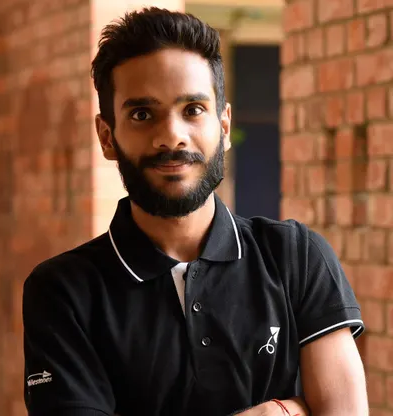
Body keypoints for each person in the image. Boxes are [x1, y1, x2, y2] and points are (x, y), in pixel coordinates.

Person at [22, 7, 368, 416]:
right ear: (107, 136)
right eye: (142, 114)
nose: (172, 136)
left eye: (192, 110)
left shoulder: (296, 256)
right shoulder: (63, 291)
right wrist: (278, 411)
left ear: (224, 126)